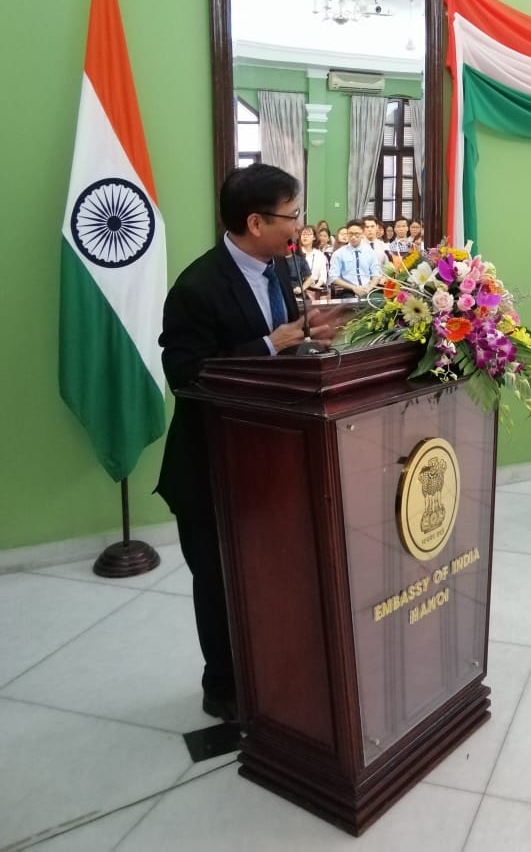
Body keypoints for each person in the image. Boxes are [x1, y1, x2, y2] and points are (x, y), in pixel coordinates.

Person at [157, 165, 345, 723]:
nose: (299, 226)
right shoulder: (196, 286)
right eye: (292, 216)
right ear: (256, 222)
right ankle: (224, 690)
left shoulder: (281, 268)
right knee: (219, 582)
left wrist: (307, 333)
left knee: (268, 574)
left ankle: (270, 673)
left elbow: (282, 346)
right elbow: (185, 375)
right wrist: (270, 342)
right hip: (211, 465)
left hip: (270, 458)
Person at [328, 219, 381, 297]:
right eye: (350, 234)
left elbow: (376, 275)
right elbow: (333, 277)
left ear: (362, 234)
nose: (353, 237)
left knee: (380, 300)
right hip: (348, 290)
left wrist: (368, 289)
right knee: (349, 299)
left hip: (367, 289)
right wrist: (354, 288)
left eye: (357, 234)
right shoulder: (338, 253)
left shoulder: (370, 252)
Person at [297, 223, 328, 297]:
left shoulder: (320, 255)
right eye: (303, 234)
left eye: (308, 234)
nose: (305, 236)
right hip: (298, 288)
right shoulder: (296, 253)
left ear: (314, 237)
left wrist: (315, 288)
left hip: (315, 288)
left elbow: (323, 276)